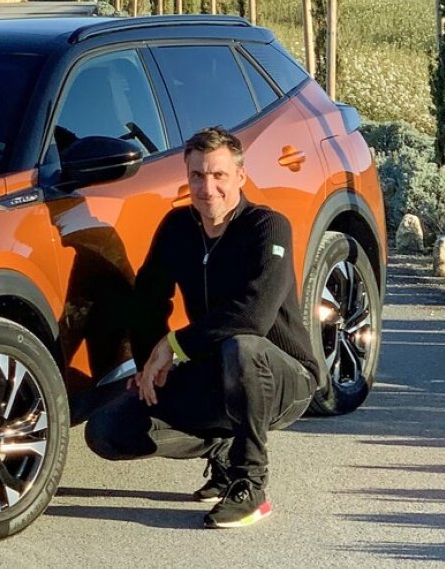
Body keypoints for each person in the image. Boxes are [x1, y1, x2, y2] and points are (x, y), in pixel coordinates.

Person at [84, 126, 322, 528]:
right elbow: (146, 303)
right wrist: (149, 367)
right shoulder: (178, 228)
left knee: (242, 348)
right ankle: (222, 447)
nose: (207, 188)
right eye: (197, 176)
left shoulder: (267, 228)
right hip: (213, 370)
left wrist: (175, 344)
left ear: (240, 178)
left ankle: (250, 484)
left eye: (219, 176)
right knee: (107, 430)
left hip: (284, 377)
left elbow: (253, 317)